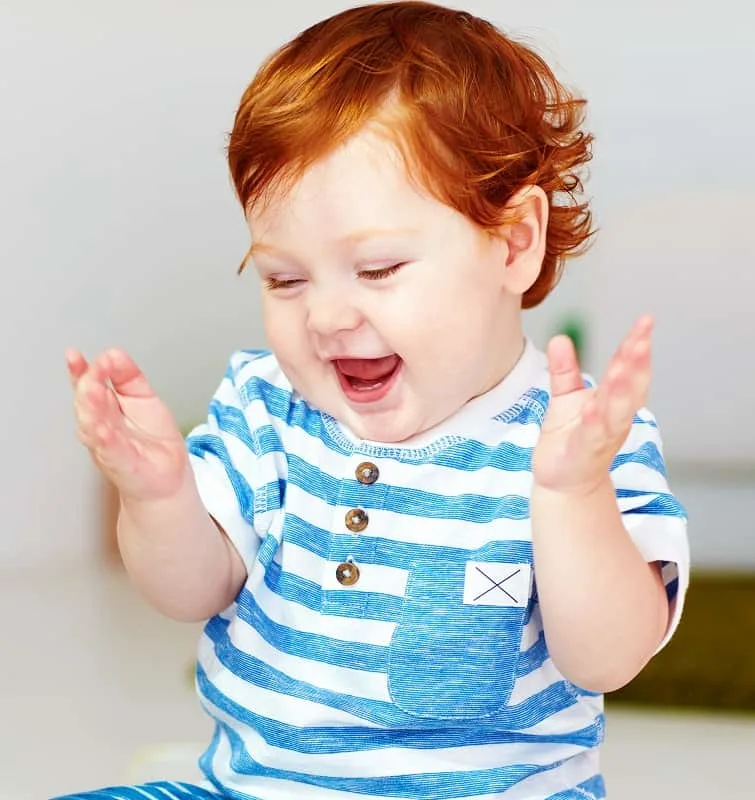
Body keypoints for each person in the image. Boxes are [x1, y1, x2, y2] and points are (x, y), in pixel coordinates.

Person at [58, 2, 689, 798]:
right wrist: (155, 496)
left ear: (513, 241)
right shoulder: (267, 406)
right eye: (285, 279)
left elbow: (607, 657)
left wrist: (570, 496)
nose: (325, 316)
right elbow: (189, 591)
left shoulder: (580, 440)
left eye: (379, 269)